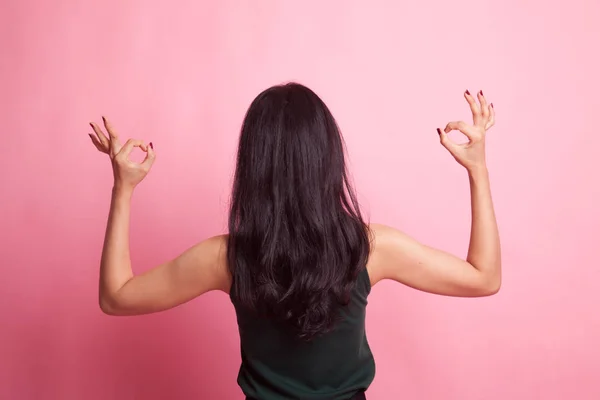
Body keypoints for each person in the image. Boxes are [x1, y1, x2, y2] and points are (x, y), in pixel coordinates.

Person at [87, 83, 500, 400]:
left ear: (252, 164)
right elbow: (483, 278)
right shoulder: (371, 248)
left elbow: (117, 297)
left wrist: (123, 188)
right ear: (328, 158)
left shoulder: (226, 258)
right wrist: (477, 169)